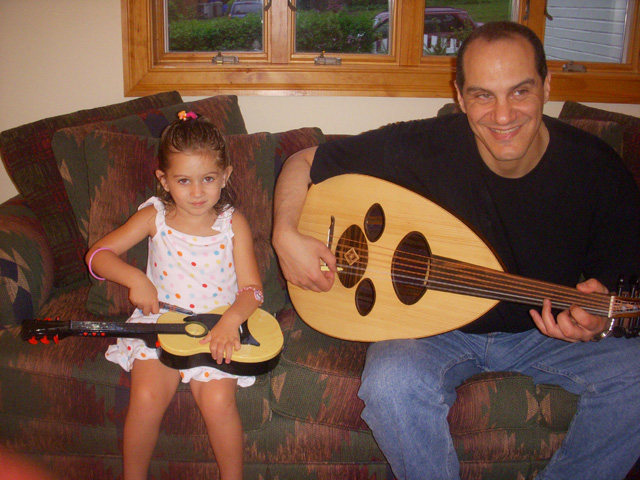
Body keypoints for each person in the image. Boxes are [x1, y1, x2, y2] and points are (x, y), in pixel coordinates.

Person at [272, 21, 640, 480]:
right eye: (483, 95)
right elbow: (304, 160)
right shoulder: (423, 145)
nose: (503, 116)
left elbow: (617, 294)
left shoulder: (595, 169)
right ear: (461, 97)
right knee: (390, 384)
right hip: (432, 332)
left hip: (542, 334)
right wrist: (284, 236)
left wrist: (598, 320)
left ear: (547, 86)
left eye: (520, 91)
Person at [86, 111, 263, 480]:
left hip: (217, 327)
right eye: (184, 181)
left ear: (226, 176)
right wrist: (135, 278)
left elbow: (252, 290)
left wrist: (231, 321)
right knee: (146, 398)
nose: (197, 192)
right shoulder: (154, 217)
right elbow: (98, 256)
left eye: (208, 179)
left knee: (218, 402)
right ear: (164, 180)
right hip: (161, 325)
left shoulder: (234, 224)